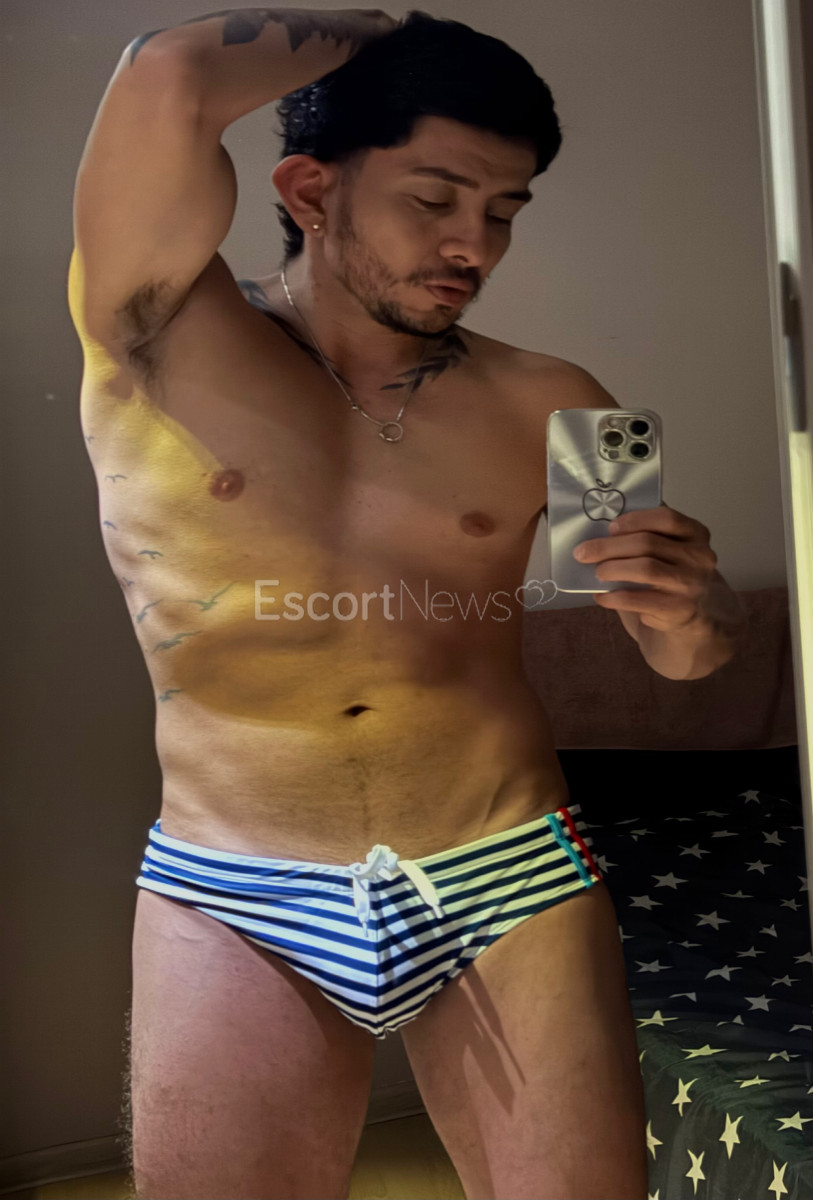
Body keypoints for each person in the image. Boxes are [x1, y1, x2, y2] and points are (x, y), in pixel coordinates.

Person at [69, 9, 650, 1198]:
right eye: (434, 199)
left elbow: (677, 652)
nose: (474, 244)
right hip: (236, 886)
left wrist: (695, 616)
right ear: (309, 190)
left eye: (504, 211)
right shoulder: (154, 331)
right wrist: (403, 32)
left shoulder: (571, 402)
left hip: (508, 866)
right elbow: (167, 71)